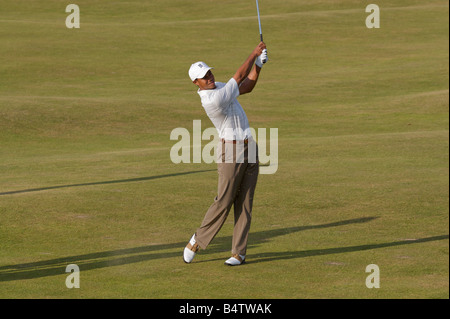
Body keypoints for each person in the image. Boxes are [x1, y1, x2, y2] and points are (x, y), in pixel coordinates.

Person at [183, 42, 268, 266]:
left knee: (245, 201)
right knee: (224, 200)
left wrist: (258, 65)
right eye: (204, 76)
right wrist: (254, 53)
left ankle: (238, 253)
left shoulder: (219, 87)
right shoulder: (212, 99)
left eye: (209, 72)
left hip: (249, 145)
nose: (209, 76)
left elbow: (246, 86)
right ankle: (197, 240)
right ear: (196, 83)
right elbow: (240, 75)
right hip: (230, 151)